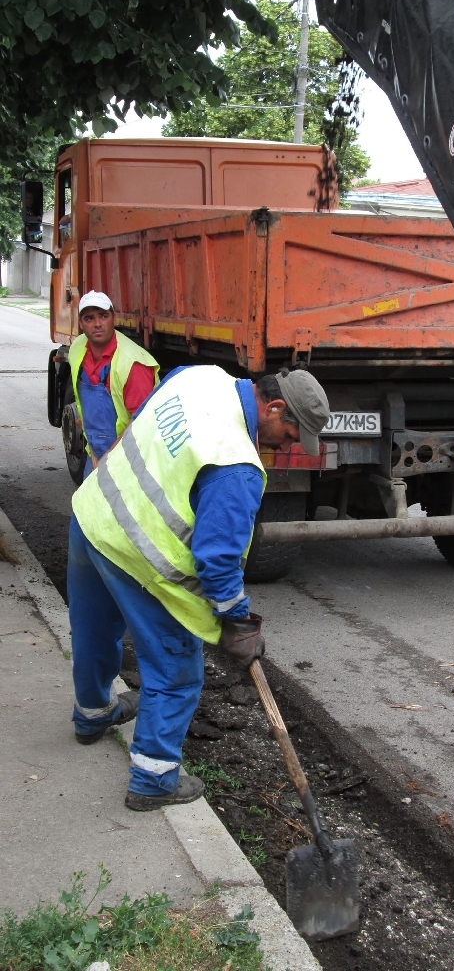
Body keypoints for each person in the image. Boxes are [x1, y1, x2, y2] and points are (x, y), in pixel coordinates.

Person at [67, 364, 330, 811]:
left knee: (94, 630)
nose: (287, 446)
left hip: (94, 515)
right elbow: (219, 560)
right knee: (175, 672)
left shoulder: (198, 377)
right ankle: (153, 781)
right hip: (135, 554)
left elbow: (144, 424)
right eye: (290, 433)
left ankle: (92, 717)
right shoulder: (236, 465)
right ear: (274, 406)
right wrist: (236, 619)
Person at [68, 291, 159, 476]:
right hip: (96, 455)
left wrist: (108, 461)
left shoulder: (133, 364)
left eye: (103, 316)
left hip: (130, 461)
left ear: (113, 318)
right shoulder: (77, 349)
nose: (98, 324)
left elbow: (142, 425)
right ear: (80, 323)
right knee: (87, 505)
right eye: (89, 318)